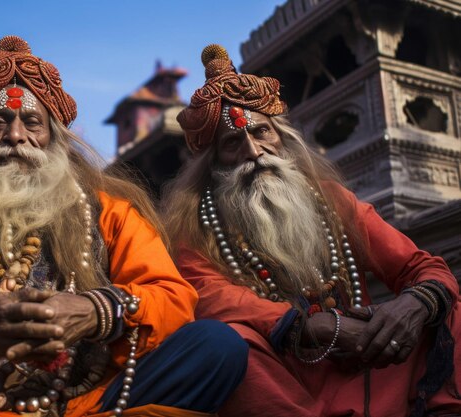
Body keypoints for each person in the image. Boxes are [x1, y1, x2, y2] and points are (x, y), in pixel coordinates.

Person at [0, 36, 248, 417]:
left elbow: (171, 297)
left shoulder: (109, 212)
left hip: (91, 404)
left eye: (32, 124)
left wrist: (95, 311)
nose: (15, 136)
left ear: (54, 139)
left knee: (215, 346)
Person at [162, 44, 461, 417]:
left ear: (283, 138)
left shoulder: (331, 200)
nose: (254, 152)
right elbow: (211, 298)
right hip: (286, 378)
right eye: (233, 143)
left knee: (443, 304)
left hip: (366, 361)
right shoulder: (198, 228)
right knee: (232, 344)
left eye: (261, 133)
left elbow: (422, 267)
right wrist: (310, 325)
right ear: (214, 163)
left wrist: (411, 305)